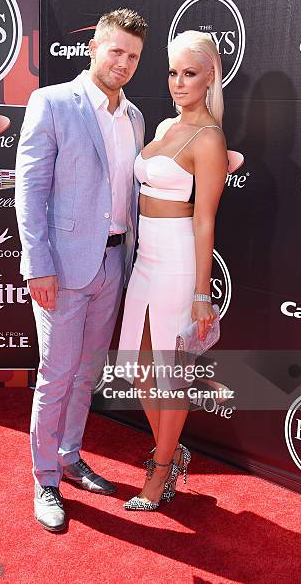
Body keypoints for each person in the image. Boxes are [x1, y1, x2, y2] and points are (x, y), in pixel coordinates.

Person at [15, 8, 147, 531]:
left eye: (134, 56)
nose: (124, 63)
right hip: (63, 267)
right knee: (57, 374)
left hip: (114, 261)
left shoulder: (134, 117)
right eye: (115, 51)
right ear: (93, 47)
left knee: (88, 372)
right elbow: (29, 191)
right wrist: (37, 265)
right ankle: (45, 476)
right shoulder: (51, 103)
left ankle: (71, 457)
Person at [118, 30, 231, 511]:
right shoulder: (164, 127)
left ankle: (160, 471)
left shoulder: (210, 138)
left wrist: (202, 295)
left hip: (179, 264)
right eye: (172, 72)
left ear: (211, 77)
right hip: (145, 260)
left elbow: (205, 221)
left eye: (189, 74)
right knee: (141, 369)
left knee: (169, 374)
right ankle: (173, 450)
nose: (178, 83)